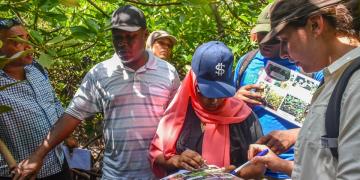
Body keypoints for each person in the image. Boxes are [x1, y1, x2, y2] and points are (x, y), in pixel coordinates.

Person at [14, 5, 180, 180]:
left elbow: (178, 119)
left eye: (130, 37)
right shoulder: (101, 73)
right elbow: (72, 115)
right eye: (117, 37)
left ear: (145, 35)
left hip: (159, 175)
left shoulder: (167, 72)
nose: (122, 43)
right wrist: (39, 155)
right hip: (115, 176)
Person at [248, 0, 360, 179]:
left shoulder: (355, 84)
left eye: (285, 41)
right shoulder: (332, 81)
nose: (283, 53)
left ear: (315, 25)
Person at [149, 41, 264, 179]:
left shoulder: (244, 116)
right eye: (206, 92)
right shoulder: (179, 113)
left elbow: (260, 164)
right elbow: (157, 154)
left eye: (221, 93)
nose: (214, 100)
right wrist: (176, 160)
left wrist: (235, 174)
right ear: (192, 81)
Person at [233, 3, 322, 179]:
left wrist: (295, 134)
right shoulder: (246, 62)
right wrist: (235, 101)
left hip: (296, 168)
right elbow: (221, 109)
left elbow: (330, 122)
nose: (265, 41)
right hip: (251, 167)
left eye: (274, 37)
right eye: (261, 35)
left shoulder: (311, 65)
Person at [0, 18, 70, 179]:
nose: (28, 47)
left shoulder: (36, 69)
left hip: (58, 162)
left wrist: (67, 136)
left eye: (27, 38)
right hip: (21, 172)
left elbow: (53, 101)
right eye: (17, 42)